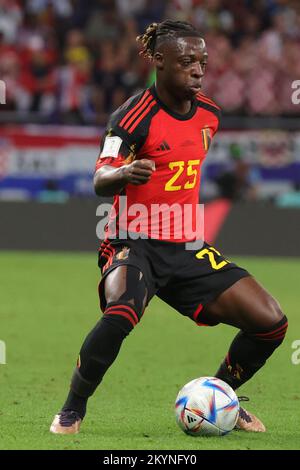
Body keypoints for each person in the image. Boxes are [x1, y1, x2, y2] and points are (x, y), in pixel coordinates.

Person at [50, 20, 288, 435]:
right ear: (159, 61)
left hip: (185, 244)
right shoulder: (132, 116)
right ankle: (72, 409)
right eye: (186, 62)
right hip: (132, 240)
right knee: (121, 311)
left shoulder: (210, 115)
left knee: (271, 321)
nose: (197, 70)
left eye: (202, 62)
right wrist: (126, 170)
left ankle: (221, 395)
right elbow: (99, 180)